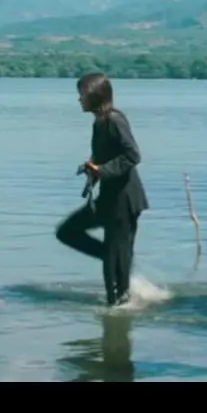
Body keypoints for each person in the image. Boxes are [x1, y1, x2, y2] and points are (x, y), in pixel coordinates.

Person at [55, 73, 150, 307]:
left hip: (124, 200)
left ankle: (120, 302)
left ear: (95, 95)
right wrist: (92, 166)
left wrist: (102, 169)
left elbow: (133, 155)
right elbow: (107, 155)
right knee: (67, 231)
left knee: (114, 279)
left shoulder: (114, 120)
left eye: (82, 95)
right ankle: (116, 259)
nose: (79, 100)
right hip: (108, 197)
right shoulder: (100, 122)